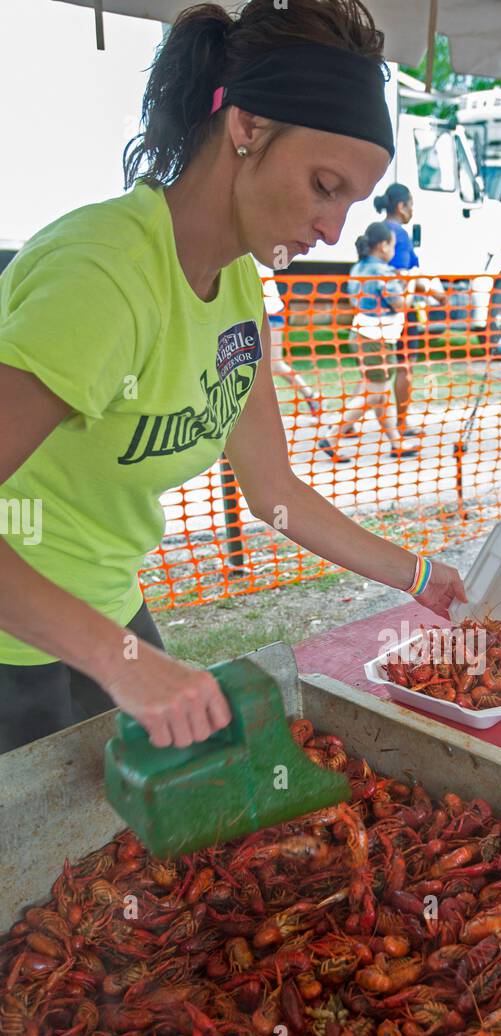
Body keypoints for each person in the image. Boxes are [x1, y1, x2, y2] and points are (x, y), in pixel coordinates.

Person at [0, 0, 465, 755]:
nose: (333, 232)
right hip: (19, 642)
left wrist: (419, 576)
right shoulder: (106, 274)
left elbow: (273, 493)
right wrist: (122, 664)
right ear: (246, 128)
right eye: (323, 185)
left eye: (350, 202)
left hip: (107, 613)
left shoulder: (239, 284)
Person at [318, 222, 419, 463]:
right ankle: (332, 436)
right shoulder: (383, 272)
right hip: (378, 338)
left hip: (361, 333)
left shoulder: (358, 268)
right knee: (375, 395)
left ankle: (396, 443)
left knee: (380, 394)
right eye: (393, 245)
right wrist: (413, 283)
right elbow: (401, 303)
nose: (394, 250)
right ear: (384, 246)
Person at [372, 181, 444, 434]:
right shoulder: (399, 235)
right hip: (401, 313)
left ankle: (347, 422)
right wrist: (436, 293)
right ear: (401, 207)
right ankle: (402, 422)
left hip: (374, 313)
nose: (412, 210)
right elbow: (403, 277)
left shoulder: (377, 230)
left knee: (373, 369)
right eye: (411, 205)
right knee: (405, 365)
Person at [263, 275, 322, 415]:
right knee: (264, 367)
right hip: (255, 313)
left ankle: (310, 396)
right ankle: (310, 396)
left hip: (270, 313)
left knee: (274, 365)